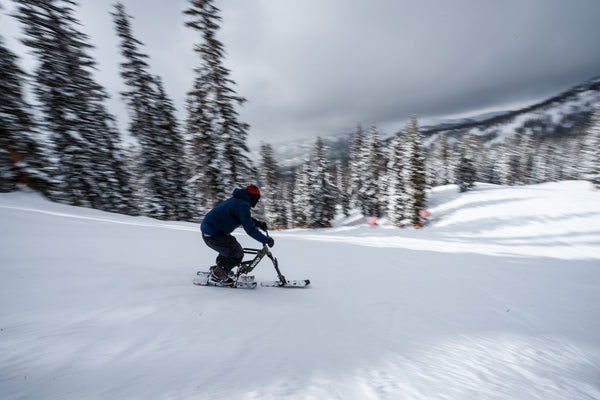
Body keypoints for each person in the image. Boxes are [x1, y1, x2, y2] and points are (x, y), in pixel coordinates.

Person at [200, 185, 274, 286]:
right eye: (258, 198)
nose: (258, 201)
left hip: (213, 231)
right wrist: (266, 240)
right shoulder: (242, 205)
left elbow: (244, 218)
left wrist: (258, 223)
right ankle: (218, 274)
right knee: (236, 253)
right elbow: (250, 230)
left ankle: (221, 268)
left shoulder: (240, 201)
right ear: (252, 196)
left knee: (231, 247)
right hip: (212, 233)